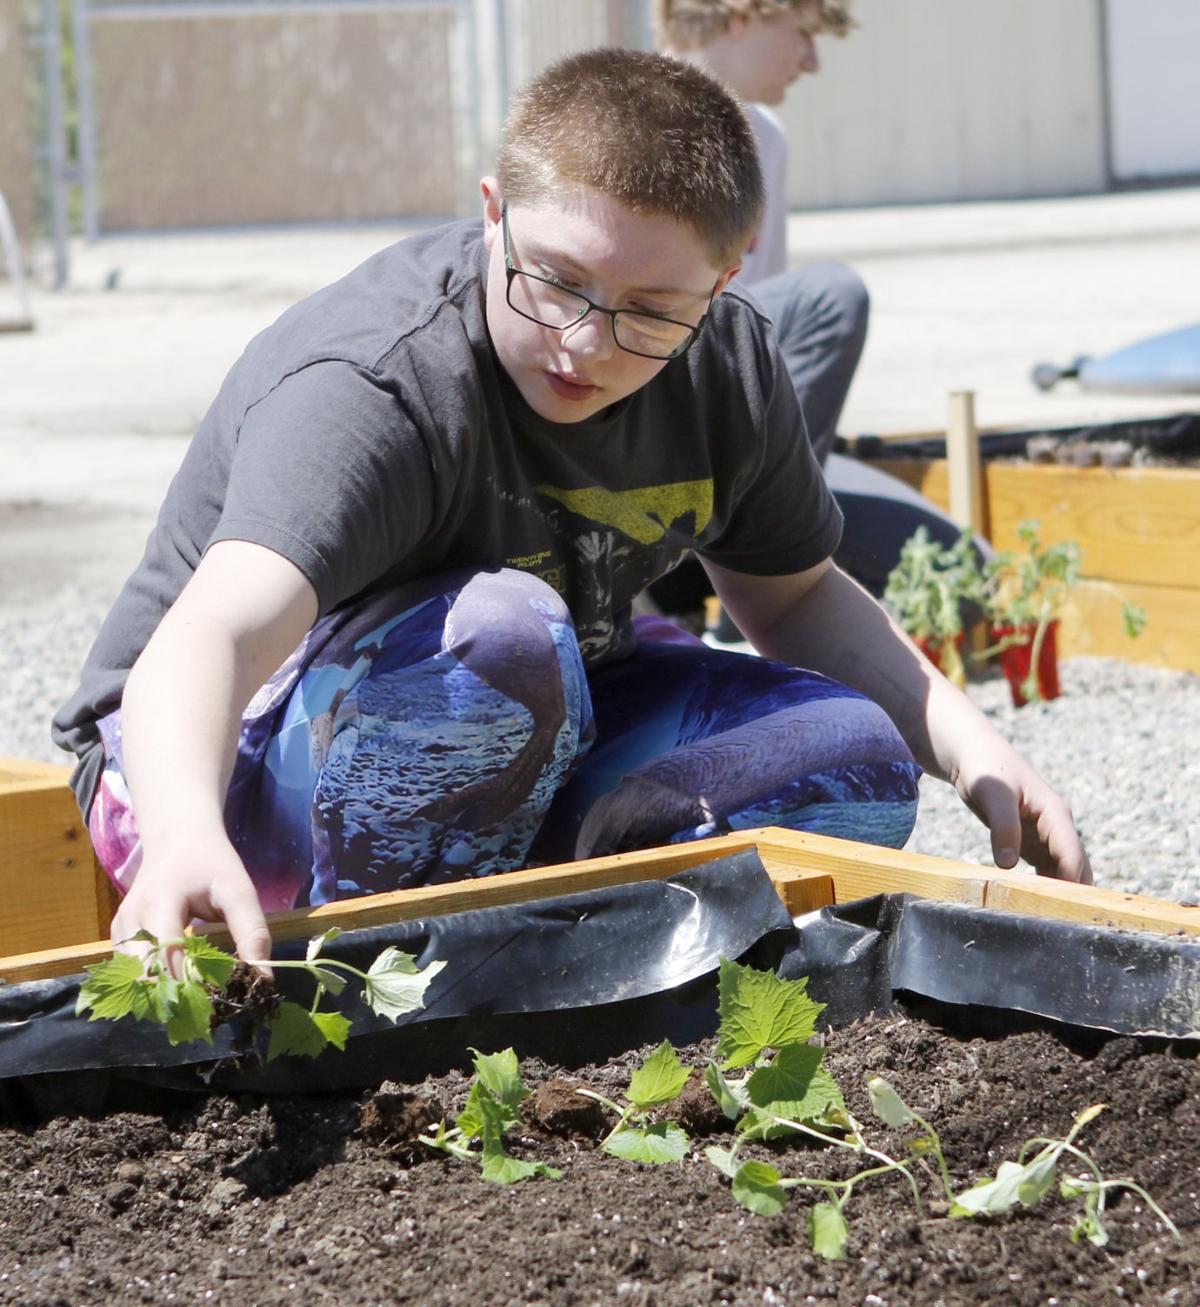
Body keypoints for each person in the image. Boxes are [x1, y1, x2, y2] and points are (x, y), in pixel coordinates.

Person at [53, 49, 1089, 969]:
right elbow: (212, 636)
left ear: (725, 281)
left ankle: (570, 958)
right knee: (504, 644)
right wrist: (189, 830)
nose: (586, 343)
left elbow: (801, 596)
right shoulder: (376, 381)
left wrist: (970, 744)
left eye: (648, 310)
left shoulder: (727, 364)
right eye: (556, 280)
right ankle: (390, 982)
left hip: (521, 725)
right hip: (197, 763)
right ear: (495, 211)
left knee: (849, 749)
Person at [652, 0, 984, 618]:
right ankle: (700, 571)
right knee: (831, 296)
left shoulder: (766, 139)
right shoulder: (621, 121)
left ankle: (715, 569)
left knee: (967, 575)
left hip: (727, 452)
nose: (812, 62)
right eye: (802, 34)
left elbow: (756, 346)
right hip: (642, 439)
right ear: (739, 16)